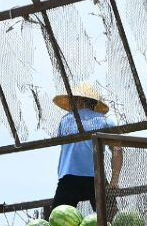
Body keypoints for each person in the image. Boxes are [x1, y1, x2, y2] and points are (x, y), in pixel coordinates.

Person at [48, 81, 123, 218]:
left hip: (69, 178)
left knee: (58, 221)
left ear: (79, 101)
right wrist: (114, 180)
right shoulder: (105, 121)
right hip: (97, 178)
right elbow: (117, 150)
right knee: (110, 221)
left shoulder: (65, 121)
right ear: (94, 104)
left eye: (73, 101)